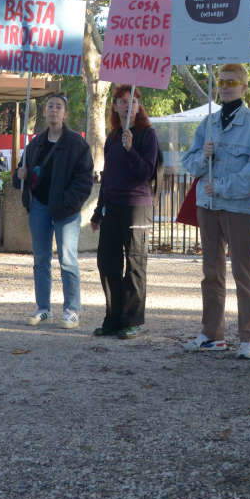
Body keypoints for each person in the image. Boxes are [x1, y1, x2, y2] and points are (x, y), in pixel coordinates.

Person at [181, 63, 250, 359]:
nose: (227, 85)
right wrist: (202, 156)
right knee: (211, 272)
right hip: (208, 206)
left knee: (243, 272)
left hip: (238, 207)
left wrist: (222, 186)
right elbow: (189, 161)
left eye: (233, 81)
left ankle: (249, 337)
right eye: (222, 81)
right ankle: (211, 333)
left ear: (244, 87)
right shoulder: (208, 122)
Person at [14, 92, 93, 328]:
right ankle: (43, 308)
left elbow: (84, 180)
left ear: (65, 113)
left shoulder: (76, 144)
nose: (54, 110)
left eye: (58, 107)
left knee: (68, 260)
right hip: (39, 205)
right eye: (50, 106)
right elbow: (22, 174)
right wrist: (21, 176)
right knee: (41, 259)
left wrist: (69, 203)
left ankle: (71, 309)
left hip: (66, 209)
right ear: (45, 111)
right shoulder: (36, 142)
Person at [91, 85, 159, 338]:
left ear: (139, 106)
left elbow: (146, 173)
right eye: (121, 101)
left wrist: (131, 150)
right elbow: (108, 178)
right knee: (107, 262)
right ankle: (114, 317)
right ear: (114, 106)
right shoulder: (112, 136)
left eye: (132, 101)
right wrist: (99, 211)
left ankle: (132, 320)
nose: (127, 106)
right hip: (113, 207)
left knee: (134, 263)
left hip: (136, 206)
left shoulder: (146, 135)